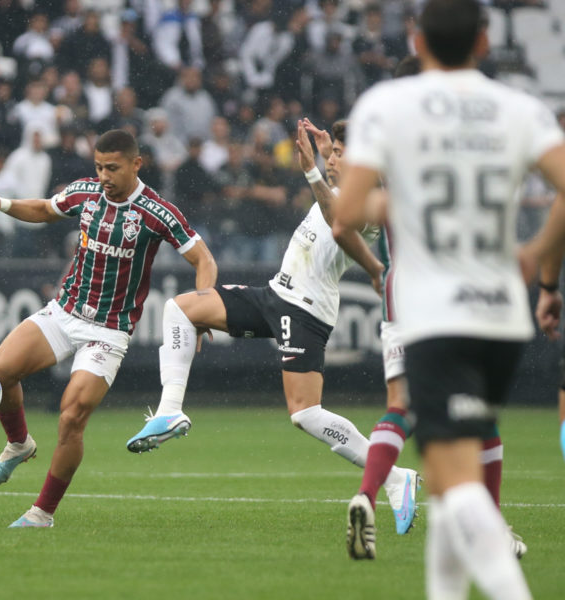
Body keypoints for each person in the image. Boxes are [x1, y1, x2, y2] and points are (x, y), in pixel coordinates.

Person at [334, 1, 565, 596]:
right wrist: (541, 258)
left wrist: (401, 203)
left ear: (416, 39)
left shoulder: (386, 107)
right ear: (484, 42)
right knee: (450, 475)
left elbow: (348, 212)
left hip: (435, 312)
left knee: (452, 480)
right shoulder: (520, 108)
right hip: (502, 312)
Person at [125, 116, 419, 526]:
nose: (332, 159)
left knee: (305, 413)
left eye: (339, 153)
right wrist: (325, 149)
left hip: (306, 310)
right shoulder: (342, 186)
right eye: (332, 151)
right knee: (181, 308)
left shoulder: (372, 202)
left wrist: (314, 167)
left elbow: (338, 219)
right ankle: (170, 410)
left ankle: (394, 477)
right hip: (275, 294)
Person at [0, 129, 216, 527]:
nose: (104, 175)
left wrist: (203, 308)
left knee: (71, 417)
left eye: (112, 168)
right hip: (63, 313)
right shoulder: (84, 192)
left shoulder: (157, 212)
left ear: (137, 164)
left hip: (108, 331)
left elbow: (203, 259)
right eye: (99, 166)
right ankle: (18, 444)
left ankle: (42, 512)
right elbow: (45, 209)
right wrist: (5, 204)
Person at [337, 55, 520, 561]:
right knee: (479, 414)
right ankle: (492, 527)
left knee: (402, 407)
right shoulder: (454, 136)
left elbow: (342, 220)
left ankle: (366, 493)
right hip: (453, 288)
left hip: (400, 286)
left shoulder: (383, 139)